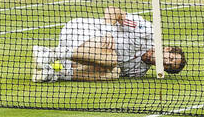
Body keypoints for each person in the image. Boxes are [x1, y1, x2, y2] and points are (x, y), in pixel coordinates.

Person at [32, 6, 187, 82]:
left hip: (83, 53)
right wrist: (108, 32)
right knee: (112, 60)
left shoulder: (138, 72)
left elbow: (99, 68)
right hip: (80, 30)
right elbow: (113, 11)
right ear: (166, 49)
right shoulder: (147, 32)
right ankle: (51, 54)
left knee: (114, 73)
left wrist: (79, 68)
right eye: (171, 58)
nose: (166, 61)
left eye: (169, 66)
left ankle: (57, 73)